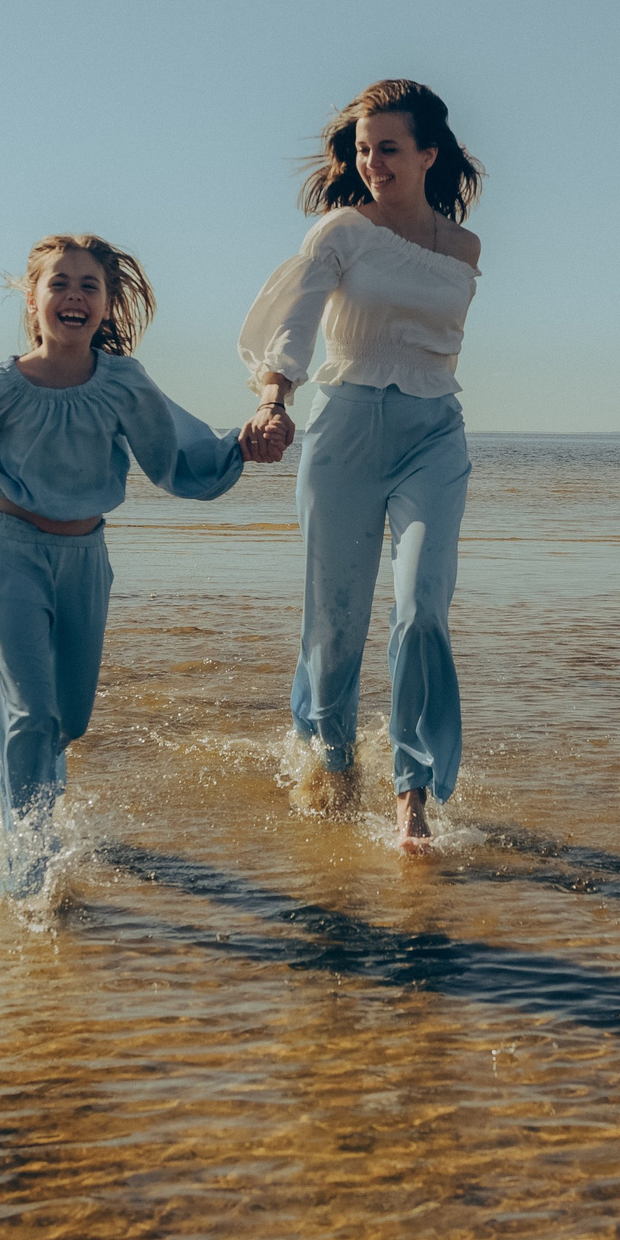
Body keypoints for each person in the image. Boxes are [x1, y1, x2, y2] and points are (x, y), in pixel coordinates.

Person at [0, 235, 262, 895]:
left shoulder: (123, 384)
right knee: (28, 712)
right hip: (14, 552)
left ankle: (38, 795)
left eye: (88, 286)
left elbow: (174, 456)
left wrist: (239, 449)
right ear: (33, 298)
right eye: (60, 283)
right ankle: (26, 860)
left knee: (68, 719)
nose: (73, 296)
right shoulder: (1, 386)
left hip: (86, 557)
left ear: (107, 306)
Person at [237, 80, 484, 853]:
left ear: (427, 153)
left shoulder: (464, 248)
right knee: (336, 624)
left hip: (433, 435)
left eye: (389, 147)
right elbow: (296, 321)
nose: (372, 161)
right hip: (344, 432)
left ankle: (413, 797)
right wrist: (274, 398)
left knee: (421, 606)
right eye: (363, 148)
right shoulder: (342, 231)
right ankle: (333, 762)